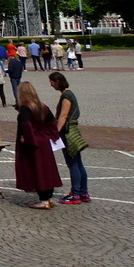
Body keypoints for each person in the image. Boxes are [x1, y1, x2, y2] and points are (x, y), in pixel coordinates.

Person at [14, 80, 62, 209]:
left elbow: (26, 125)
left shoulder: (26, 107)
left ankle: (44, 200)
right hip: (44, 141)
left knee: (38, 171)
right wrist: (49, 135)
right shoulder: (42, 106)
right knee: (47, 170)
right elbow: (52, 122)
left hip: (34, 143)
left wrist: (27, 139)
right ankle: (49, 197)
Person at [49, 72, 90, 204]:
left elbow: (63, 116)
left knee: (73, 163)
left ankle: (76, 194)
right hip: (72, 130)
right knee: (78, 163)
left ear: (58, 81)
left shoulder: (66, 95)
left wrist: (56, 132)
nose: (51, 85)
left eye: (52, 82)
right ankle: (83, 192)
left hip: (68, 132)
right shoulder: (68, 94)